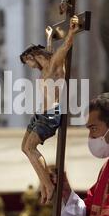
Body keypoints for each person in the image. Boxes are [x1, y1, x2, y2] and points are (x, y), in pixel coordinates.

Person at [20, 15, 80, 204]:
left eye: (28, 62)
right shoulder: (46, 67)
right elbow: (48, 53)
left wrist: (71, 31)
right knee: (24, 147)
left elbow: (64, 48)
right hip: (41, 113)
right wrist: (48, 38)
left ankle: (49, 186)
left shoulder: (54, 65)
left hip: (51, 114)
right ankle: (45, 183)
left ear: (33, 57)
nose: (30, 67)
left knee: (30, 147)